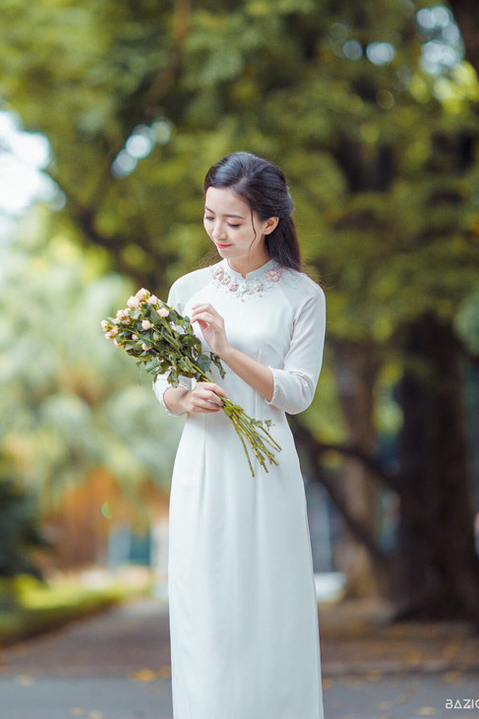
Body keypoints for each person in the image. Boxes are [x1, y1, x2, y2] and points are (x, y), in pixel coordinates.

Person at [153, 151, 326, 719]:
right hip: (204, 467)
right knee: (207, 611)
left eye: (233, 221)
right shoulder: (187, 289)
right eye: (209, 217)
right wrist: (187, 399)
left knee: (272, 609)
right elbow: (168, 385)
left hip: (268, 469)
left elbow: (298, 394)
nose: (218, 233)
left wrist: (226, 351)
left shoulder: (303, 297)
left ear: (269, 222)